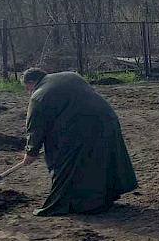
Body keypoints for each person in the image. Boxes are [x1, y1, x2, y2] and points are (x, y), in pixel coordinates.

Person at [20, 68, 138, 216]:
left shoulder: (38, 96)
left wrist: (31, 152)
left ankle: (80, 204)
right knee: (100, 159)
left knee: (68, 165)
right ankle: (104, 198)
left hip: (82, 129)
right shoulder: (70, 75)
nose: (28, 92)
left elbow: (35, 127)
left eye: (27, 88)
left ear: (31, 82)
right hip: (107, 119)